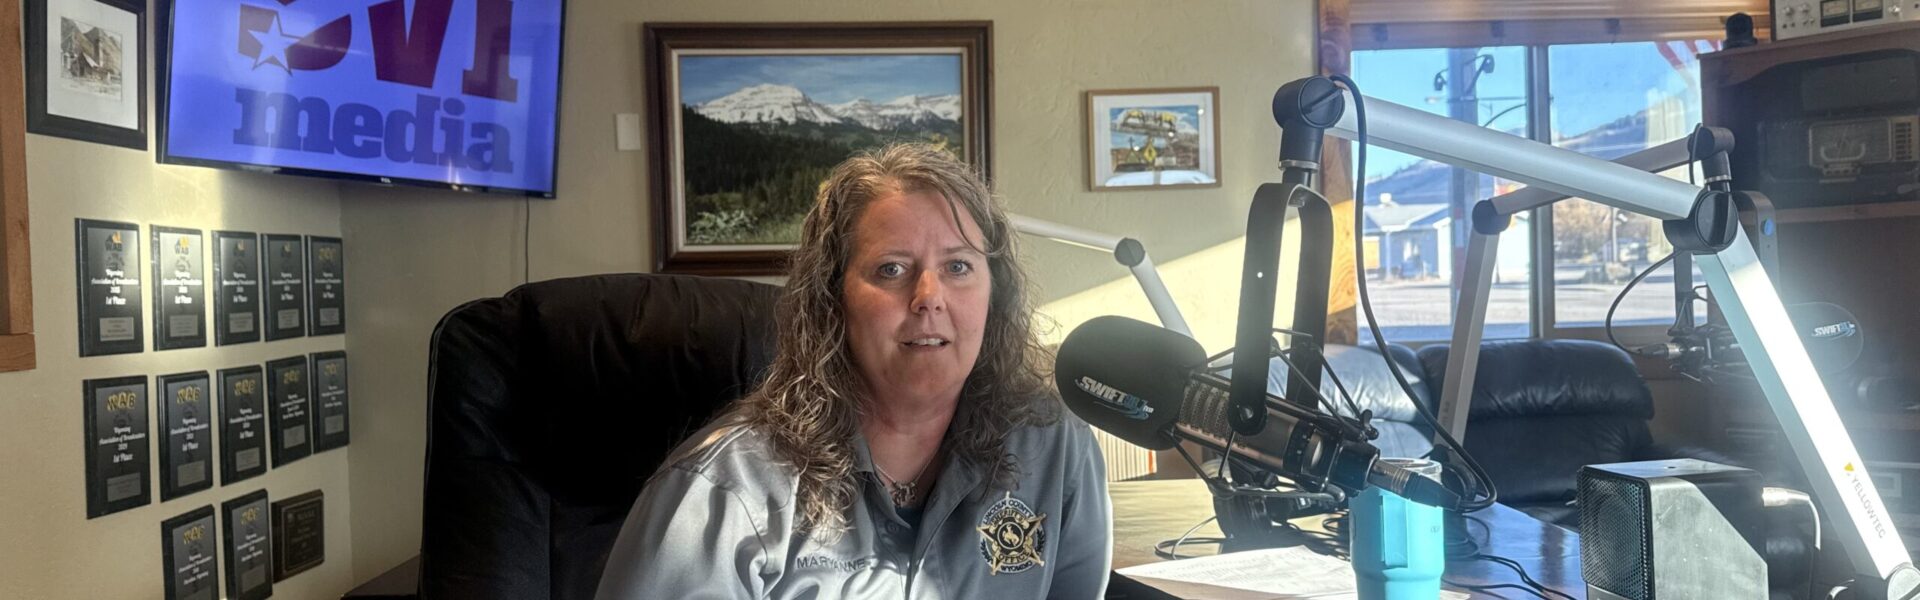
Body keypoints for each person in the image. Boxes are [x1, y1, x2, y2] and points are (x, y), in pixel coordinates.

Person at [596, 143, 1112, 599]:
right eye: (892, 269)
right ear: (831, 300)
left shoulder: (1055, 448)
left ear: (994, 294)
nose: (929, 297)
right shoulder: (723, 491)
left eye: (958, 266)